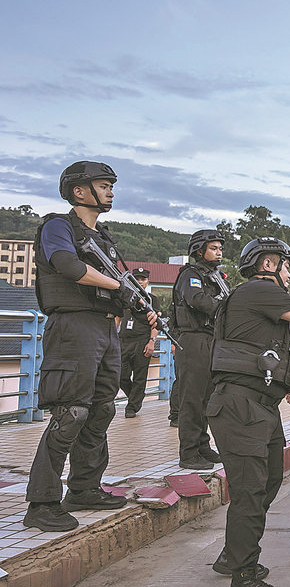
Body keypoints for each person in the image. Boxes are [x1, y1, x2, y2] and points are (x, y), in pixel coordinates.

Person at [23, 161, 145, 531]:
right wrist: (119, 287)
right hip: (73, 326)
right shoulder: (59, 226)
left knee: (101, 410)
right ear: (80, 191)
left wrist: (137, 304)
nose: (110, 191)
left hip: (105, 330)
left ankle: (84, 488)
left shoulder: (104, 239)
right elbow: (67, 265)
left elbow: (118, 286)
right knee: (70, 414)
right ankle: (41, 502)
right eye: (103, 185)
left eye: (111, 185)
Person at [207, 236, 290, 587]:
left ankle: (232, 555)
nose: (289, 273)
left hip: (260, 407)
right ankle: (242, 581)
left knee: (269, 480)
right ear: (269, 264)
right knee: (249, 493)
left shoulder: (257, 300)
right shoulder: (259, 290)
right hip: (241, 407)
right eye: (286, 265)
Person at [171, 228, 228, 469]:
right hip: (193, 339)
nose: (219, 253)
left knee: (207, 398)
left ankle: (202, 446)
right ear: (199, 250)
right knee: (192, 399)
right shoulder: (191, 274)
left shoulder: (216, 277)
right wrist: (226, 307)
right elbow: (197, 300)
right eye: (214, 248)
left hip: (211, 340)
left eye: (220, 248)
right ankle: (189, 452)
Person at [118, 268, 159, 417]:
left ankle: (132, 407)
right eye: (137, 279)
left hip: (142, 341)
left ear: (148, 281)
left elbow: (156, 324)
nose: (140, 282)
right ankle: (136, 398)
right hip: (123, 341)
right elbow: (118, 317)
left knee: (140, 377)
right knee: (121, 376)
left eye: (143, 279)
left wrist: (151, 341)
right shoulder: (125, 296)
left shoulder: (152, 299)